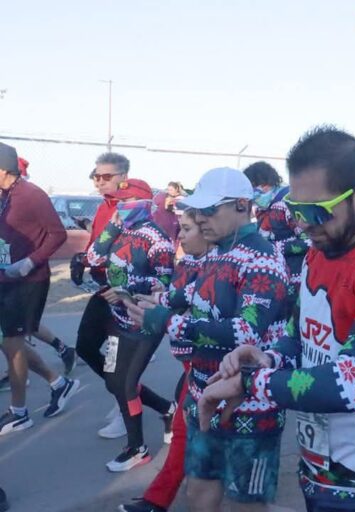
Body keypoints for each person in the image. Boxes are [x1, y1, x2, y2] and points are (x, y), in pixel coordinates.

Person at [197, 126, 355, 512]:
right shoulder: (319, 250)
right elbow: (299, 335)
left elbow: (353, 384)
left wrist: (252, 382)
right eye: (294, 210)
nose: (301, 224)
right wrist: (267, 358)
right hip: (316, 458)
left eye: (314, 211)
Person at [126, 167, 291, 511]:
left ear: (243, 205)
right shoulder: (217, 250)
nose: (200, 219)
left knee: (245, 502)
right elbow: (189, 296)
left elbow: (246, 333)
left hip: (249, 402)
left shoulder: (263, 258)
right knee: (199, 490)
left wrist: (169, 322)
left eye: (210, 210)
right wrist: (151, 300)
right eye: (197, 211)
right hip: (202, 396)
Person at [119, 209, 215, 512]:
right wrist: (157, 300)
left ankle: (158, 500)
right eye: (181, 229)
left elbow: (195, 311)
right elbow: (174, 300)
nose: (181, 236)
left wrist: (163, 312)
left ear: (207, 230)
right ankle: (162, 498)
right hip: (192, 365)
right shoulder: (188, 263)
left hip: (211, 367)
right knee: (188, 429)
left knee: (188, 430)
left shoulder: (218, 267)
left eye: (187, 229)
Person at [86, 178, 176, 471]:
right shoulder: (120, 231)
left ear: (142, 204)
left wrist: (127, 288)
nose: (119, 208)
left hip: (144, 322)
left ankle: (137, 448)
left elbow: (164, 283)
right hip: (118, 319)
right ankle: (167, 410)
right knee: (114, 381)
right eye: (117, 203)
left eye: (124, 203)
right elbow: (94, 257)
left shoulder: (158, 239)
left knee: (126, 384)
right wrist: (111, 227)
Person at [0, 142, 80, 436]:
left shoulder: (32, 195)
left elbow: (58, 234)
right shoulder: (6, 196)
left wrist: (30, 262)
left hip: (28, 280)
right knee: (9, 343)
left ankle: (19, 413)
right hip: (7, 278)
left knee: (13, 343)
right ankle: (59, 383)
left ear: (4, 170)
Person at [74, 152, 134, 439]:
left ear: (123, 177)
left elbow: (139, 253)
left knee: (116, 363)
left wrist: (124, 289)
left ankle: (127, 412)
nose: (98, 181)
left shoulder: (134, 207)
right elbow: (99, 245)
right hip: (102, 290)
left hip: (122, 295)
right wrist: (82, 260)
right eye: (95, 175)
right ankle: (130, 401)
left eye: (105, 176)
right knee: (85, 347)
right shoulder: (104, 206)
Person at [244, 160, 309, 302]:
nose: (252, 196)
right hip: (274, 275)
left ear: (265, 185)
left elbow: (309, 241)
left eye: (253, 189)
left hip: (295, 276)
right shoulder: (263, 208)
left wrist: (274, 248)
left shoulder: (288, 204)